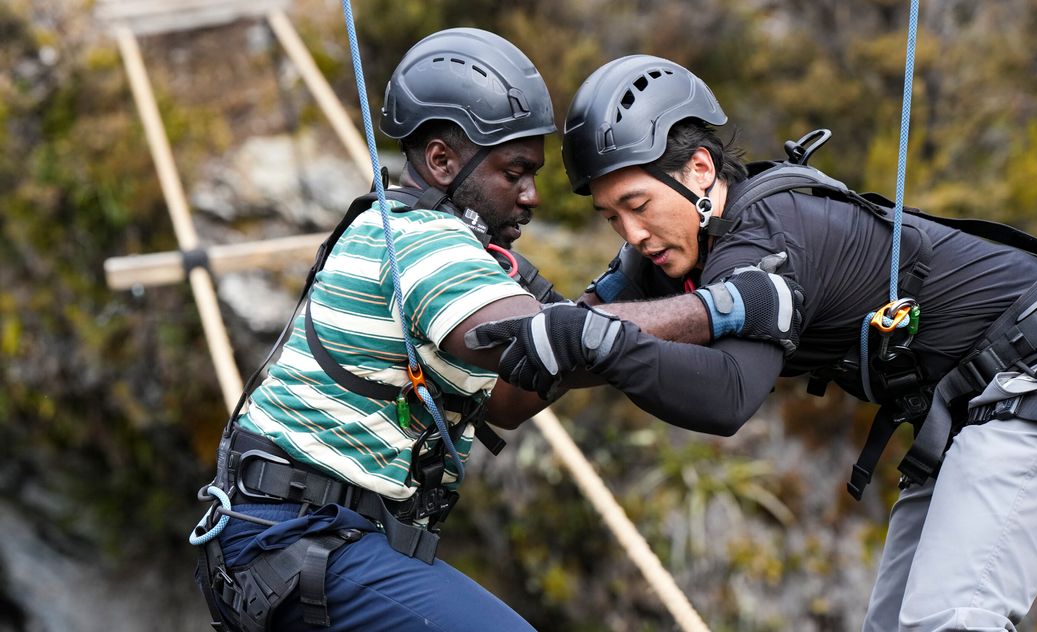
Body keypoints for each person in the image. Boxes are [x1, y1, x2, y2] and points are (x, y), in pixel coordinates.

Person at [467, 54, 1037, 631]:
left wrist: (596, 340)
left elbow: (727, 398)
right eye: (610, 216)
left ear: (701, 172)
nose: (630, 234)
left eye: (637, 206)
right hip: (960, 414)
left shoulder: (769, 236)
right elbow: (539, 371)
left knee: (950, 621)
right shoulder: (662, 256)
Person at [190, 31, 792, 632]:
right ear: (442, 162)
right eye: (514, 172)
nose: (531, 196)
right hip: (302, 535)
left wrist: (605, 305)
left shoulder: (402, 230)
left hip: (280, 540)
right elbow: (522, 338)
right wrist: (724, 310)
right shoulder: (424, 241)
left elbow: (510, 399)